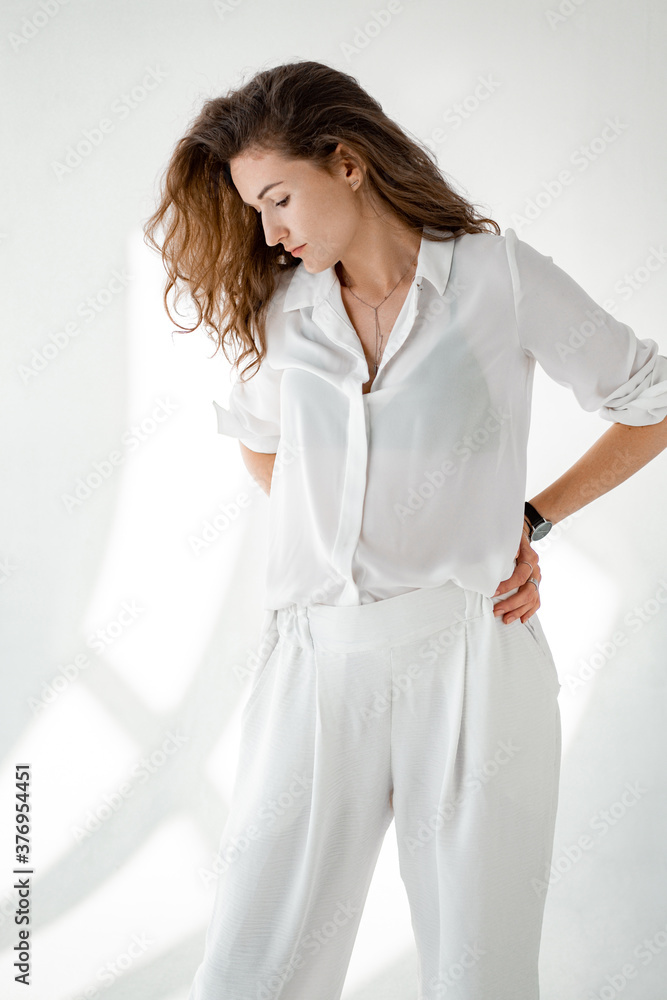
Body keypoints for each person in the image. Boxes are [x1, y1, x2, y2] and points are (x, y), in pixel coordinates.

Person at [143, 60, 667, 1000]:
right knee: (252, 970)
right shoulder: (284, 310)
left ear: (345, 163)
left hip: (472, 658)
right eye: (256, 212)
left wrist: (531, 519)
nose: (269, 232)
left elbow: (651, 401)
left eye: (278, 200)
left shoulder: (497, 277)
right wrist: (354, 528)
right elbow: (263, 448)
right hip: (313, 664)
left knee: (480, 974)